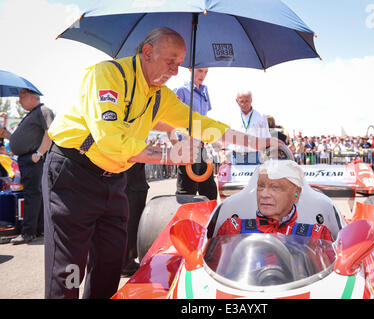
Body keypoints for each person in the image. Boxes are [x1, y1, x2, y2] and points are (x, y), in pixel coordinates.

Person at [43, 27, 279, 299]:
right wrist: (169, 156)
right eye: (171, 61)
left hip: (114, 179)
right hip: (74, 174)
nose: (176, 71)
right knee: (69, 269)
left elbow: (204, 125)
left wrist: (259, 142)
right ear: (147, 52)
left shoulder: (160, 96)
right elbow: (110, 141)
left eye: (179, 64)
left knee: (110, 264)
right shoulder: (106, 75)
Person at [217, 160, 333, 241]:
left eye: (275, 187)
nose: (264, 194)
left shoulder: (317, 235)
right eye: (261, 186)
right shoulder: (233, 229)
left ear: (296, 194)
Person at [0, 89, 54, 245]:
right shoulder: (31, 114)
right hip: (27, 158)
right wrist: (7, 134)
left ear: (32, 97)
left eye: (22, 97)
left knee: (32, 195)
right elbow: (22, 139)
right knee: (34, 195)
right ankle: (37, 229)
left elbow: (50, 132)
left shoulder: (43, 110)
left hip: (33, 159)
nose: (19, 101)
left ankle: (28, 233)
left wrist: (39, 153)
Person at [173, 67, 218, 200]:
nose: (202, 75)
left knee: (210, 191)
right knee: (187, 191)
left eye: (205, 72)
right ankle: (185, 220)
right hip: (187, 146)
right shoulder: (181, 90)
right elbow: (172, 118)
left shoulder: (205, 91)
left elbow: (205, 118)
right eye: (199, 70)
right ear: (190, 69)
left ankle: (209, 220)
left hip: (202, 147)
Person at [121, 162, 148, 277]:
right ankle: (125, 263)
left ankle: (127, 261)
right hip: (129, 182)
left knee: (134, 222)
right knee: (130, 223)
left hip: (134, 180)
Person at [229, 90, 271, 164]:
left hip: (254, 156)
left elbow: (266, 137)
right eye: (241, 101)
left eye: (247, 101)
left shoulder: (260, 116)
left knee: (254, 176)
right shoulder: (232, 116)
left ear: (251, 100)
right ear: (237, 101)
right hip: (236, 156)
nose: (244, 104)